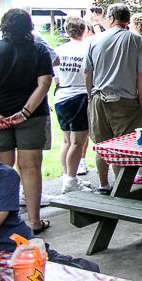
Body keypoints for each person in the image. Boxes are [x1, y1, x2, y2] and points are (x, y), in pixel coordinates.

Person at [85, 4, 142, 195]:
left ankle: (103, 185)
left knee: (102, 145)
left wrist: (90, 95)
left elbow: (87, 72)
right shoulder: (136, 40)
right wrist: (140, 99)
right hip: (125, 101)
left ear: (111, 18)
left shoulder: (95, 40)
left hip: (99, 98)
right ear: (127, 20)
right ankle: (120, 187)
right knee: (123, 146)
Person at [0, 9, 53, 234]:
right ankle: (34, 221)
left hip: (0, 119)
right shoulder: (39, 50)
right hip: (32, 116)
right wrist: (25, 112)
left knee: (3, 170)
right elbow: (44, 84)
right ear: (28, 26)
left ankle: (5, 223)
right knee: (30, 168)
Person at [54, 16, 92, 194]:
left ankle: (69, 177)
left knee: (66, 141)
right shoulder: (87, 49)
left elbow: (55, 77)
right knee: (78, 142)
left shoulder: (58, 50)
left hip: (61, 96)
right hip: (80, 96)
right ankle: (70, 181)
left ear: (67, 31)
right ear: (84, 30)